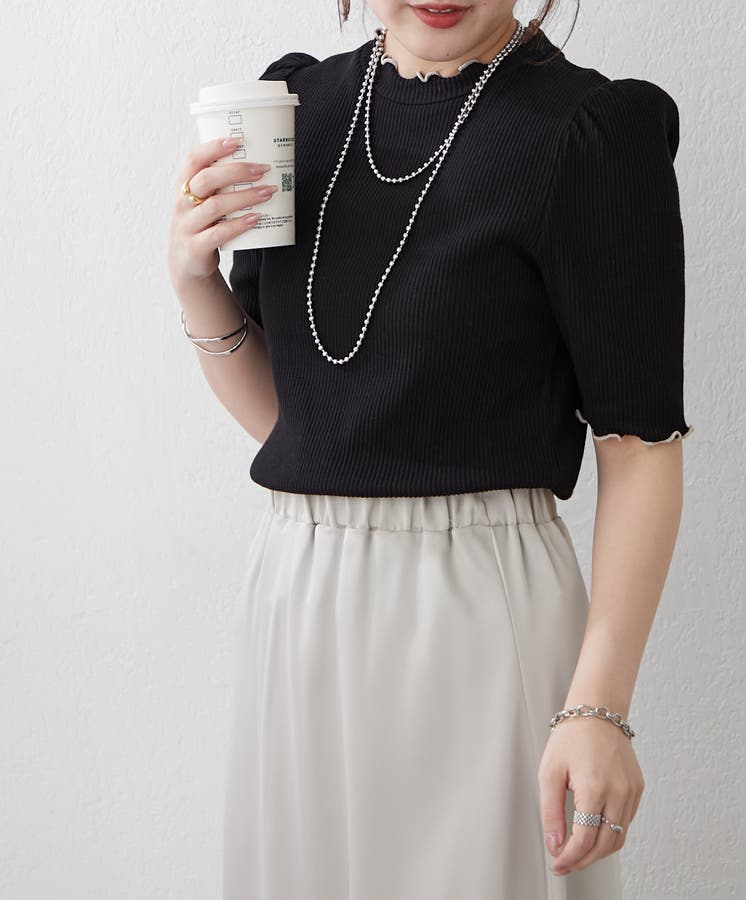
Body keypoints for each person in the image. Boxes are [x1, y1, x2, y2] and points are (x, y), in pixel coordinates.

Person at [167, 1, 692, 897]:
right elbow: (303, 425)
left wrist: (599, 708)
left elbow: (640, 450)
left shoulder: (588, 135)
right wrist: (193, 281)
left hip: (480, 606)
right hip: (298, 595)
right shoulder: (289, 114)